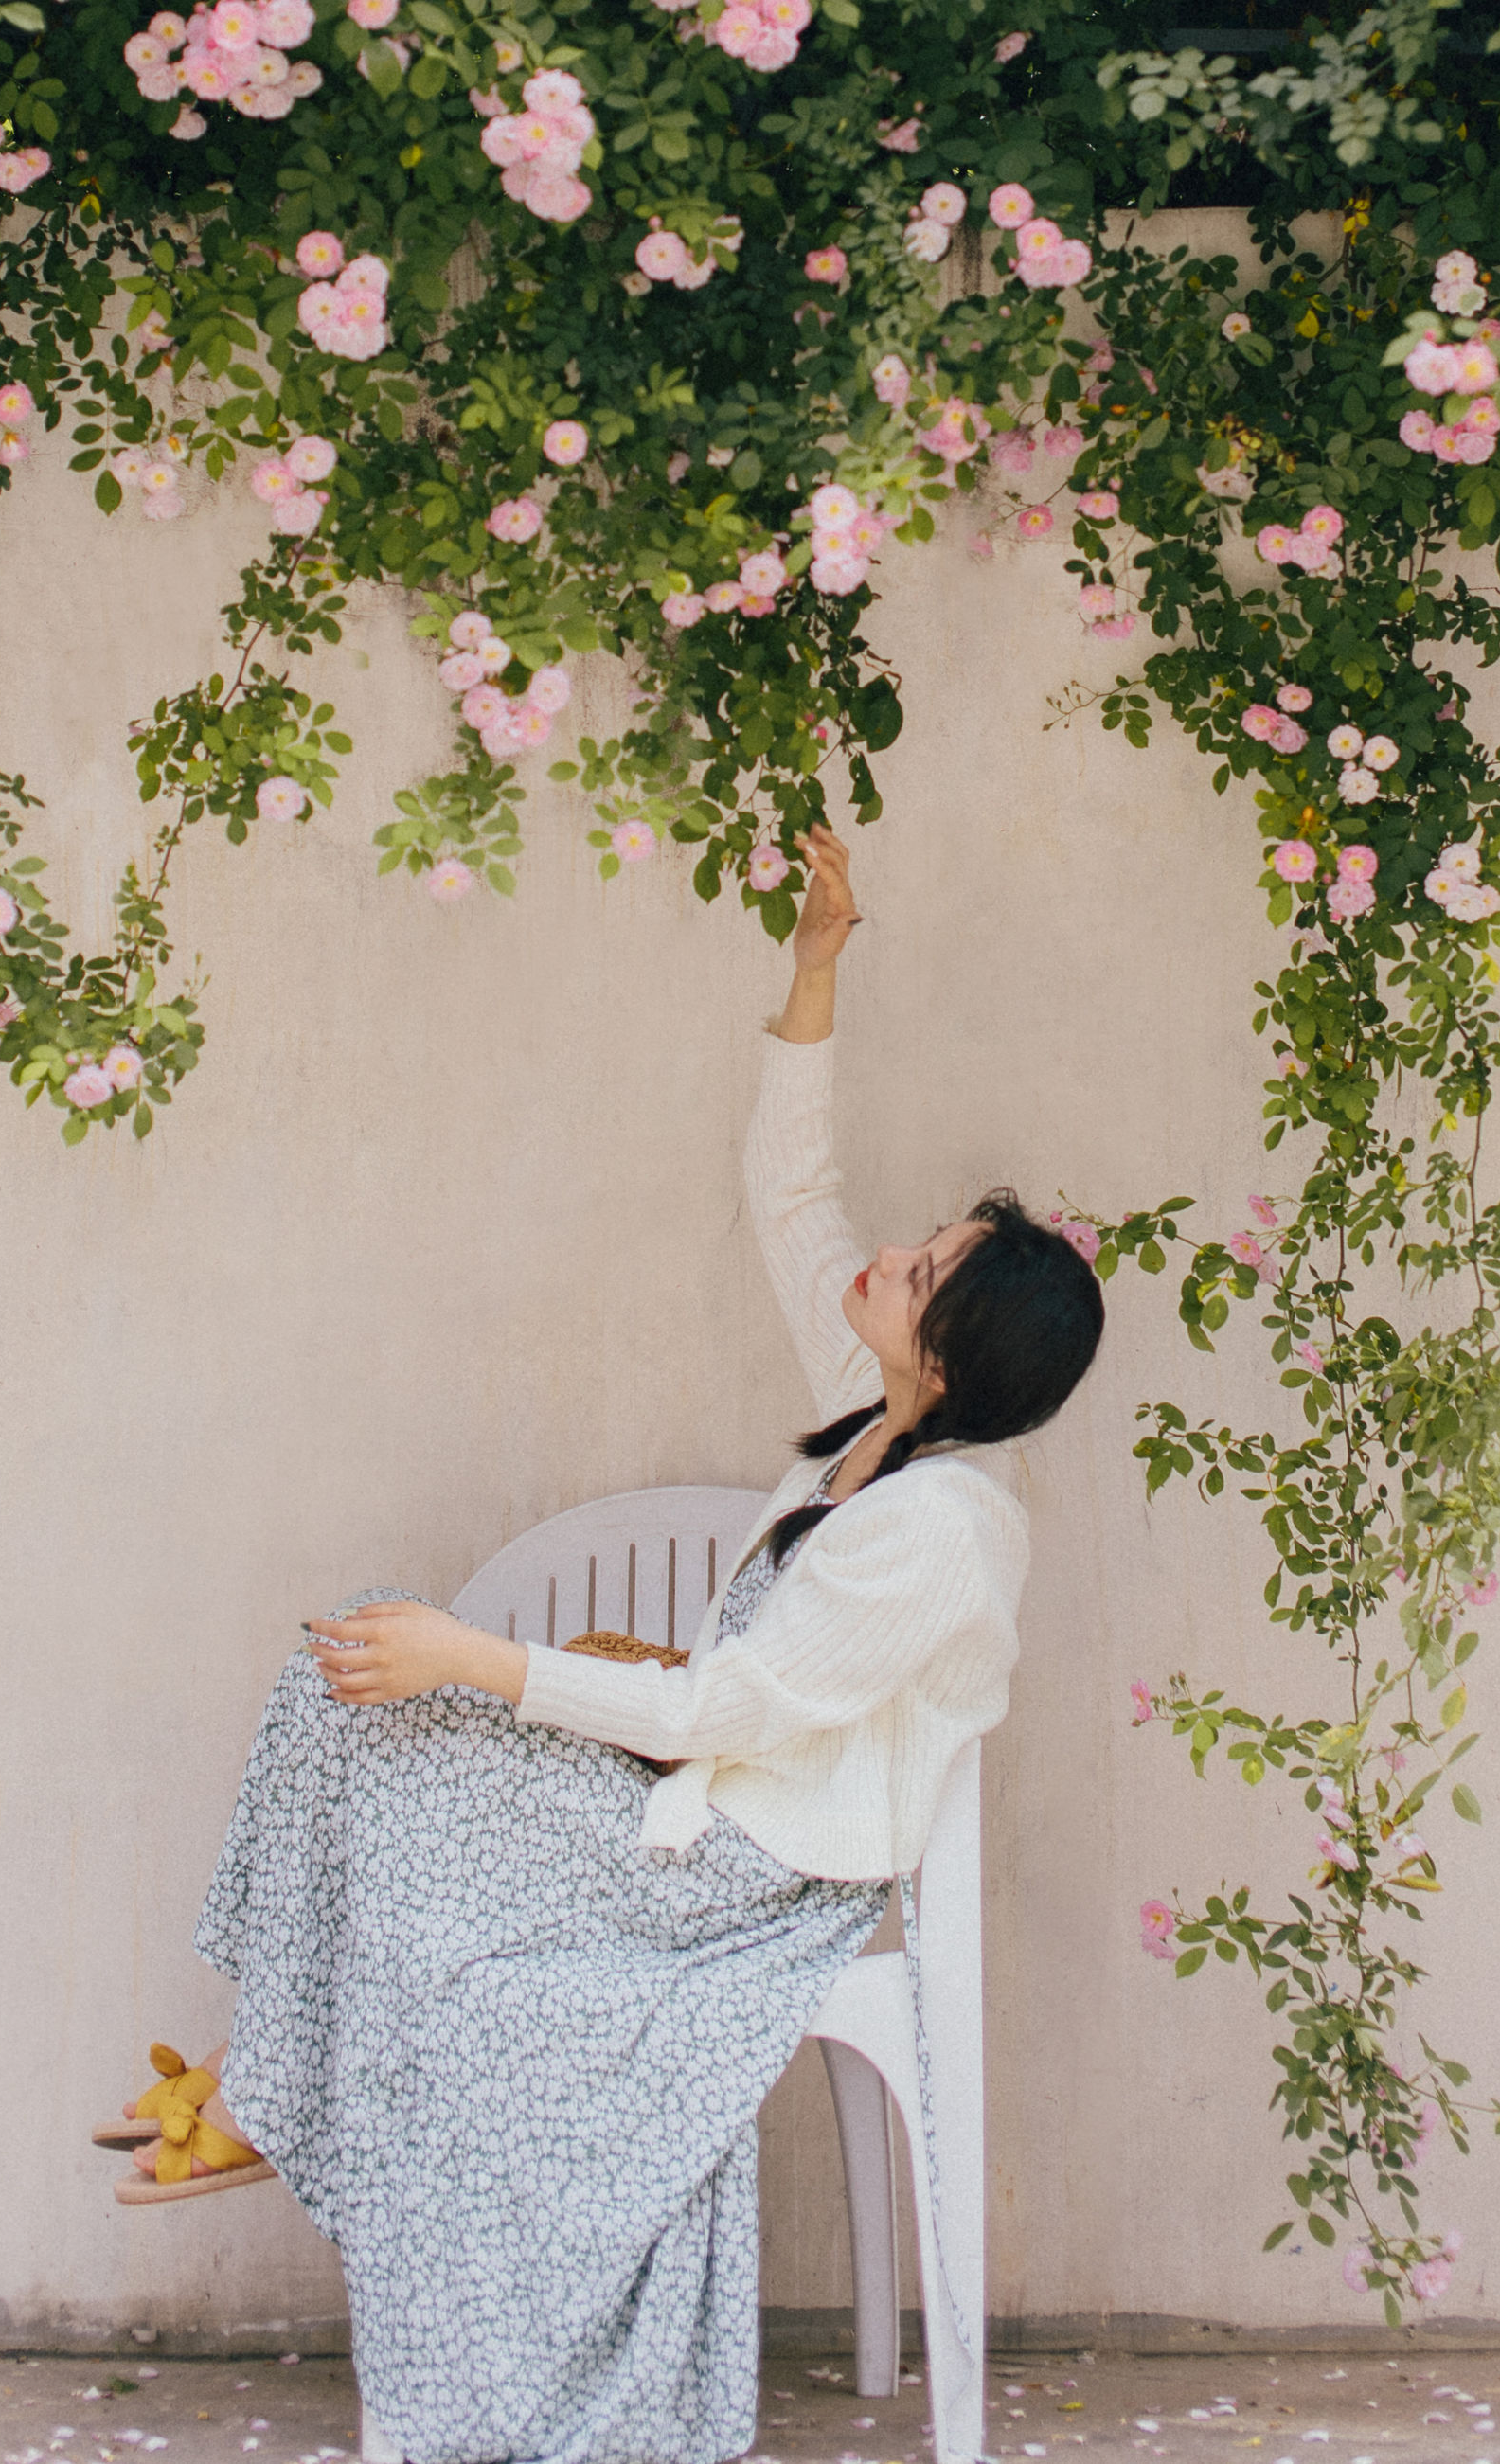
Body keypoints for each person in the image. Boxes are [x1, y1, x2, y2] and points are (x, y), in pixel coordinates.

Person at [95, 823, 1105, 2464]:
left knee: (409, 1758)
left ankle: (269, 2096)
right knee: (333, 1678)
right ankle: (272, 2073)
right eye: (921, 1245)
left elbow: (737, 1706)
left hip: (742, 1873)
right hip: (689, 1794)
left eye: (921, 1271)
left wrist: (473, 1660)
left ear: (958, 1352)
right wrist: (817, 961)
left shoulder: (949, 1531)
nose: (890, 1257)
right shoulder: (879, 1423)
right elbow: (790, 1194)